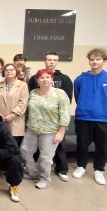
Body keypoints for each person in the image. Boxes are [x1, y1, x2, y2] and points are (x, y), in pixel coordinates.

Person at [72, 48, 107, 185]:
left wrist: (104, 108)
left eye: (98, 59)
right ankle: (81, 166)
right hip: (83, 118)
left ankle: (99, 170)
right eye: (92, 59)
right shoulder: (80, 79)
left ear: (104, 61)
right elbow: (78, 97)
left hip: (104, 119)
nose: (94, 61)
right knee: (82, 144)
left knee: (102, 147)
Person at [20, 69, 70, 189]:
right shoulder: (33, 92)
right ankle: (32, 173)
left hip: (50, 131)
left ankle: (44, 178)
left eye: (48, 77)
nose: (45, 80)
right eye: (41, 78)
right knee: (24, 150)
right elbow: (28, 110)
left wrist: (61, 133)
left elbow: (65, 114)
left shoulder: (60, 94)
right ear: (37, 80)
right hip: (32, 128)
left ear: (52, 79)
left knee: (45, 157)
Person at [28, 51, 73, 182]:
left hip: (53, 126)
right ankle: (34, 172)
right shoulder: (34, 84)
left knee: (56, 149)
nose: (51, 62)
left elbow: (66, 106)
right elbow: (29, 100)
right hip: (34, 126)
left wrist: (61, 130)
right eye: (49, 59)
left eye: (54, 60)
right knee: (31, 150)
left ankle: (61, 170)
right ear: (45, 61)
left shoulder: (64, 81)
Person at [0, 63, 29, 148]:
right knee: (1, 147)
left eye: (11, 70)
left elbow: (23, 102)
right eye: (6, 70)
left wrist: (12, 115)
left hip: (15, 121)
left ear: (16, 71)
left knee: (13, 148)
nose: (9, 72)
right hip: (0, 120)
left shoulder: (23, 85)